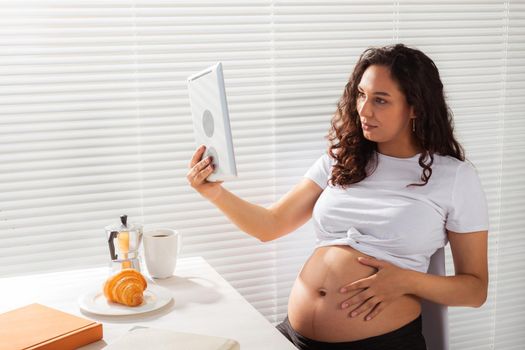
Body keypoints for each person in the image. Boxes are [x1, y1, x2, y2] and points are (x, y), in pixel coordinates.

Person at [186, 43, 489, 350]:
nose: (364, 110)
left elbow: (475, 290)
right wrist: (214, 192)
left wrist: (407, 281)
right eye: (361, 94)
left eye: (381, 100)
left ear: (416, 108)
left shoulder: (454, 177)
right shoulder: (341, 160)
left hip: (382, 343)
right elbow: (269, 225)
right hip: (294, 336)